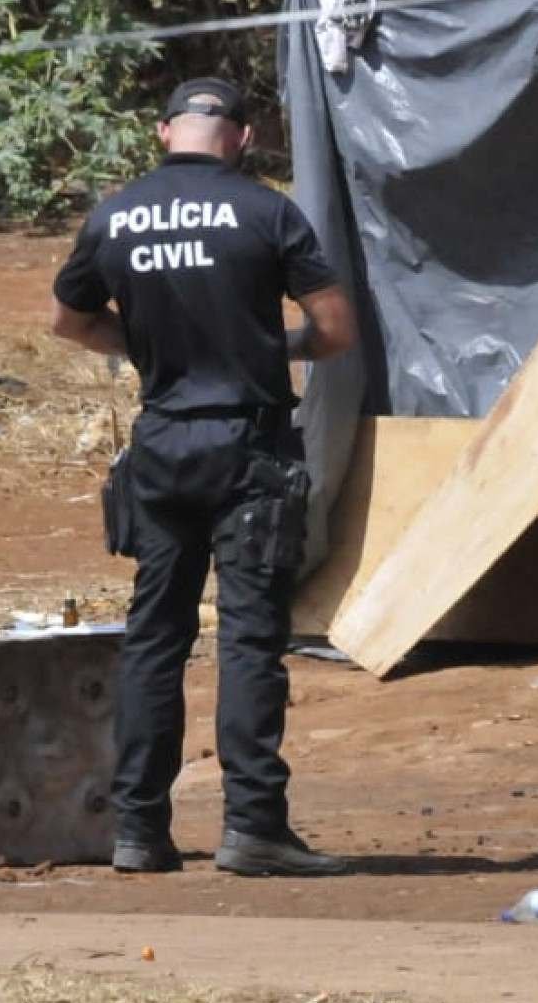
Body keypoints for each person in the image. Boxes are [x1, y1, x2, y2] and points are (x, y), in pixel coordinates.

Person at [51, 75, 358, 876]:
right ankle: (253, 827)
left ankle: (138, 831)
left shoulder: (114, 215)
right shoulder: (268, 212)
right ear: (243, 137)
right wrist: (267, 349)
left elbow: (69, 321)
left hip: (162, 445)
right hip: (248, 445)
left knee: (155, 638)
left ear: (163, 134)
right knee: (251, 639)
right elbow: (332, 331)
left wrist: (147, 349)